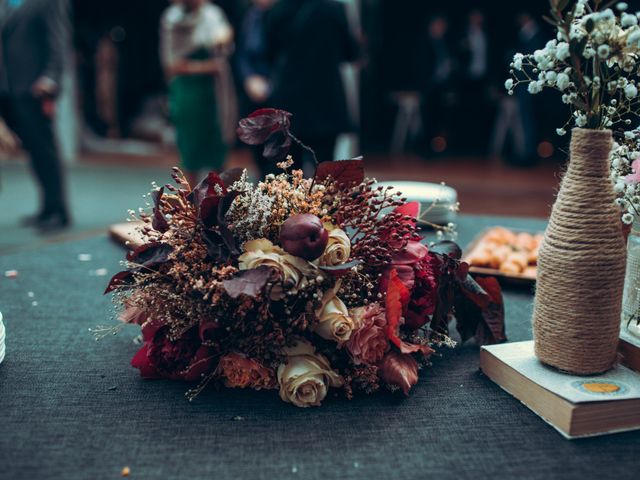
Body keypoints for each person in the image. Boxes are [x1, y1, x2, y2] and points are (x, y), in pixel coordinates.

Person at [0, 0, 71, 230]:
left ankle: (57, 210)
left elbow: (58, 40)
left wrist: (50, 80)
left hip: (33, 88)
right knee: (32, 150)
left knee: (43, 150)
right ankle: (46, 208)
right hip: (7, 89)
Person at [265, 0, 360, 170]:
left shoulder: (280, 9)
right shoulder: (334, 8)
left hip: (290, 100)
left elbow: (269, 52)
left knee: (291, 172)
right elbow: (351, 53)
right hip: (325, 99)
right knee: (324, 170)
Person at [160, 0, 234, 188]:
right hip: (187, 91)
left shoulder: (212, 14)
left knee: (217, 147)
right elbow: (171, 64)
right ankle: (192, 205)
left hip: (212, 92)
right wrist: (204, 67)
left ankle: (219, 203)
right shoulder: (172, 18)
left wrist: (223, 39)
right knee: (190, 150)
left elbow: (224, 43)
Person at [236, 0, 276, 176]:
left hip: (276, 85)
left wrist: (270, 82)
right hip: (253, 85)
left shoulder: (283, 14)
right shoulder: (250, 14)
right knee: (255, 138)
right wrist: (248, 78)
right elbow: (242, 52)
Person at [416, 14, 457, 155]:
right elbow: (421, 65)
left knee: (440, 117)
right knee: (428, 117)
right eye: (439, 25)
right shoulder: (424, 42)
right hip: (429, 85)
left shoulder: (444, 43)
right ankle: (425, 149)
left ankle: (438, 148)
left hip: (442, 85)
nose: (442, 29)